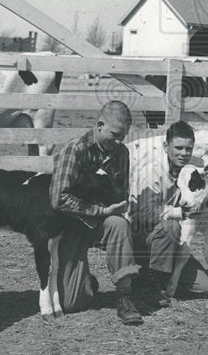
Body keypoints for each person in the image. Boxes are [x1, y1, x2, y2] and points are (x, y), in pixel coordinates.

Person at [50, 100, 142, 325]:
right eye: (115, 134)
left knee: (119, 225)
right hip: (71, 225)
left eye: (123, 136)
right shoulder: (75, 149)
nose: (118, 141)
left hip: (103, 222)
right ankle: (86, 282)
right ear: (99, 124)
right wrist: (99, 210)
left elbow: (121, 192)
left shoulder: (122, 153)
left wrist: (121, 207)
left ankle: (124, 296)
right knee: (72, 304)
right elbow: (58, 199)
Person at [127, 121, 208, 307]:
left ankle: (149, 274)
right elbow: (143, 213)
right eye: (178, 148)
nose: (184, 153)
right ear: (165, 146)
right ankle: (153, 287)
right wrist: (181, 212)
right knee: (170, 226)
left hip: (171, 242)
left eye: (188, 149)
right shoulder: (152, 171)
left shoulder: (189, 170)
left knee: (202, 287)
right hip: (142, 236)